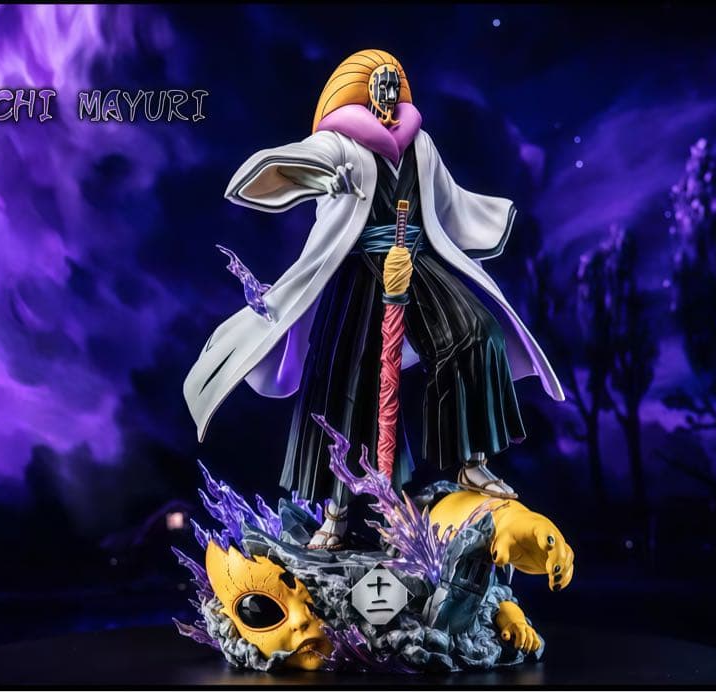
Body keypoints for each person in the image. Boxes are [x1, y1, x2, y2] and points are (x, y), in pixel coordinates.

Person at [184, 49, 564, 549]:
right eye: (378, 85)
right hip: (359, 268)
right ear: (361, 92)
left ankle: (471, 461)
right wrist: (321, 178)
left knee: (477, 333)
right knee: (344, 379)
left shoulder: (420, 143)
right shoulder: (339, 142)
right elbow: (280, 169)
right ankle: (336, 512)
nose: (386, 94)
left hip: (417, 260)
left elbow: (448, 201)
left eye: (393, 84)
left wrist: (492, 215)